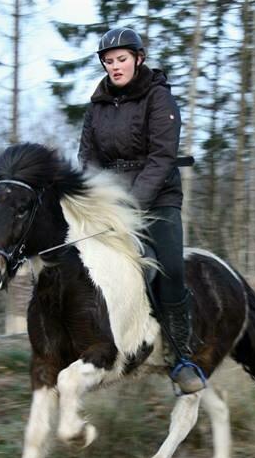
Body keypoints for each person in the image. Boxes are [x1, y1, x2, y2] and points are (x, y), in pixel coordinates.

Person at [77, 26, 206, 395]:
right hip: (110, 200)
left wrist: (131, 206)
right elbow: (87, 157)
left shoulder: (159, 99)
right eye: (108, 62)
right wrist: (96, 199)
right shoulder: (97, 105)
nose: (114, 67)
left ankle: (182, 357)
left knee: (171, 268)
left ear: (138, 58)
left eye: (121, 59)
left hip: (156, 198)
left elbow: (161, 158)